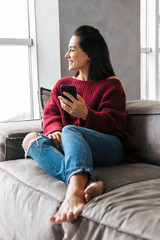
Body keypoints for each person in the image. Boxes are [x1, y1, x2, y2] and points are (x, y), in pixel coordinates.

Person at [23, 25, 140, 224]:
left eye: (72, 49)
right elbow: (50, 115)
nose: (67, 54)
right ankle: (91, 181)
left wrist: (85, 114)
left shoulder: (111, 85)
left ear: (89, 55)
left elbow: (116, 123)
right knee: (30, 139)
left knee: (71, 130)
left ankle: (75, 193)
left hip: (109, 146)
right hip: (71, 146)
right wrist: (54, 131)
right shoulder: (62, 85)